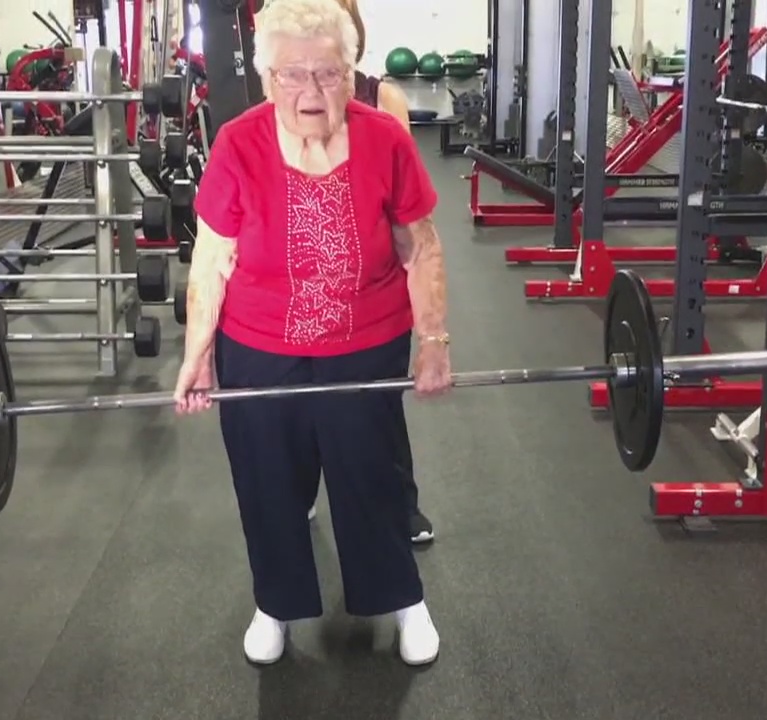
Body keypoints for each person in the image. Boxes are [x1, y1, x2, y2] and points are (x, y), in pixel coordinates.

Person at [172, 0, 450, 666]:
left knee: (372, 477)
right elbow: (211, 260)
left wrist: (434, 341)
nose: (310, 91)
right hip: (259, 346)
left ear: (351, 73)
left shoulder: (385, 138)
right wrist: (197, 355)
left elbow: (422, 247)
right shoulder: (239, 143)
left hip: (367, 339)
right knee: (268, 481)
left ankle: (406, 599)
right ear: (267, 77)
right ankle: (276, 603)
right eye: (292, 75)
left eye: (327, 74)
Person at [305, 0, 433, 546]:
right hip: (305, 278)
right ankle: (300, 493)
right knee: (300, 401)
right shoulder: (284, 97)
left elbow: (402, 203)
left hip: (370, 285)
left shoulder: (383, 97)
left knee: (377, 401)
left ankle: (400, 505)